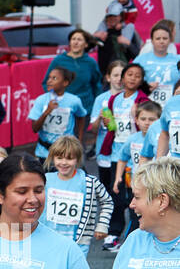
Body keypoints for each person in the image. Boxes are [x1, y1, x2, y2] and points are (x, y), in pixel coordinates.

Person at [41, 136, 112, 258]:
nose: (63, 162)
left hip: (78, 241)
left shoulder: (90, 182)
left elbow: (107, 201)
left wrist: (102, 225)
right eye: (59, 158)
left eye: (69, 158)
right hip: (49, 239)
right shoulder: (45, 180)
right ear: (53, 158)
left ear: (77, 159)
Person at [104, 63, 150, 248]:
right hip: (117, 153)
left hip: (135, 156)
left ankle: (133, 234)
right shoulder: (114, 99)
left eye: (137, 76)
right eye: (129, 74)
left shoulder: (142, 99)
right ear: (122, 78)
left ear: (141, 81)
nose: (132, 78)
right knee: (115, 194)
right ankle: (114, 232)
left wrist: (136, 118)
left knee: (134, 196)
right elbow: (112, 126)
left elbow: (147, 125)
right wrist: (108, 123)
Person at [29, 66, 88, 159]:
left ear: (65, 83)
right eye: (49, 77)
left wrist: (79, 140)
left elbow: (81, 117)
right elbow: (34, 128)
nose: (49, 81)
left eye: (54, 78)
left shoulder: (74, 101)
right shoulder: (41, 100)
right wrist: (47, 112)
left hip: (66, 151)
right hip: (44, 152)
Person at [43, 29, 103, 116]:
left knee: (80, 130)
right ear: (70, 43)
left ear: (86, 44)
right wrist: (54, 97)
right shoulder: (58, 61)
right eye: (73, 39)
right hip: (63, 108)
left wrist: (97, 106)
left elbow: (97, 85)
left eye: (79, 40)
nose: (75, 42)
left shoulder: (91, 62)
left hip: (84, 108)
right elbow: (46, 83)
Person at [90, 60, 125, 188]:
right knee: (106, 190)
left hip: (124, 153)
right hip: (105, 153)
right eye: (115, 75)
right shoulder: (100, 99)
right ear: (108, 77)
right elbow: (94, 130)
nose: (119, 79)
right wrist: (99, 118)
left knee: (125, 193)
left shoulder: (131, 98)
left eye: (122, 75)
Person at [135, 22, 180, 106]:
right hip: (147, 105)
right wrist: (145, 87)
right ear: (152, 40)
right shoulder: (141, 59)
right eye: (158, 38)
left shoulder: (178, 59)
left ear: (170, 40)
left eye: (165, 38)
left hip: (173, 104)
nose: (161, 41)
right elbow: (130, 81)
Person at [96, 5, 141, 80]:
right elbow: (87, 48)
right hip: (104, 77)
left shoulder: (128, 32)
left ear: (121, 17)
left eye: (115, 16)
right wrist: (94, 36)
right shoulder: (102, 32)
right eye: (109, 16)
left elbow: (138, 55)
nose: (112, 18)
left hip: (122, 75)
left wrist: (128, 44)